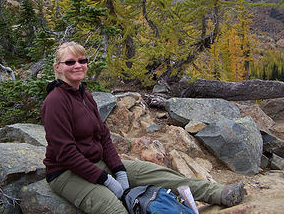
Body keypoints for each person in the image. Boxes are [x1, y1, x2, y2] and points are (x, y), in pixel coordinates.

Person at [41, 41, 245, 214]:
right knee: (114, 208)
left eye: (82, 61)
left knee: (160, 175)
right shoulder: (55, 101)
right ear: (58, 67)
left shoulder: (85, 95)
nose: (78, 65)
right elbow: (66, 153)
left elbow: (103, 137)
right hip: (66, 174)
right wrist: (106, 180)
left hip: (98, 163)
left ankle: (219, 193)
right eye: (70, 62)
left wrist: (119, 170)